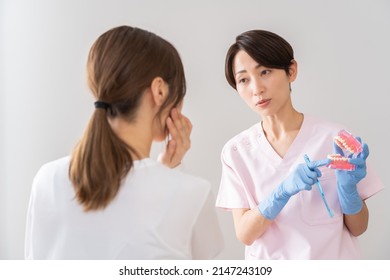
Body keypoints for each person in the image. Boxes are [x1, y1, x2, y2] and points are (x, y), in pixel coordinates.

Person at [25, 25, 223, 260]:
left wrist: (165, 172)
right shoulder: (192, 194)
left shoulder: (48, 179)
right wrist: (170, 175)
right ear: (159, 91)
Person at [216, 30, 383, 259]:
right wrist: (281, 193)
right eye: (244, 79)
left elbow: (359, 227)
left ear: (291, 71)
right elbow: (245, 234)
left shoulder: (334, 139)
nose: (257, 89)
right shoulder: (236, 152)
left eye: (265, 71)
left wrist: (348, 191)